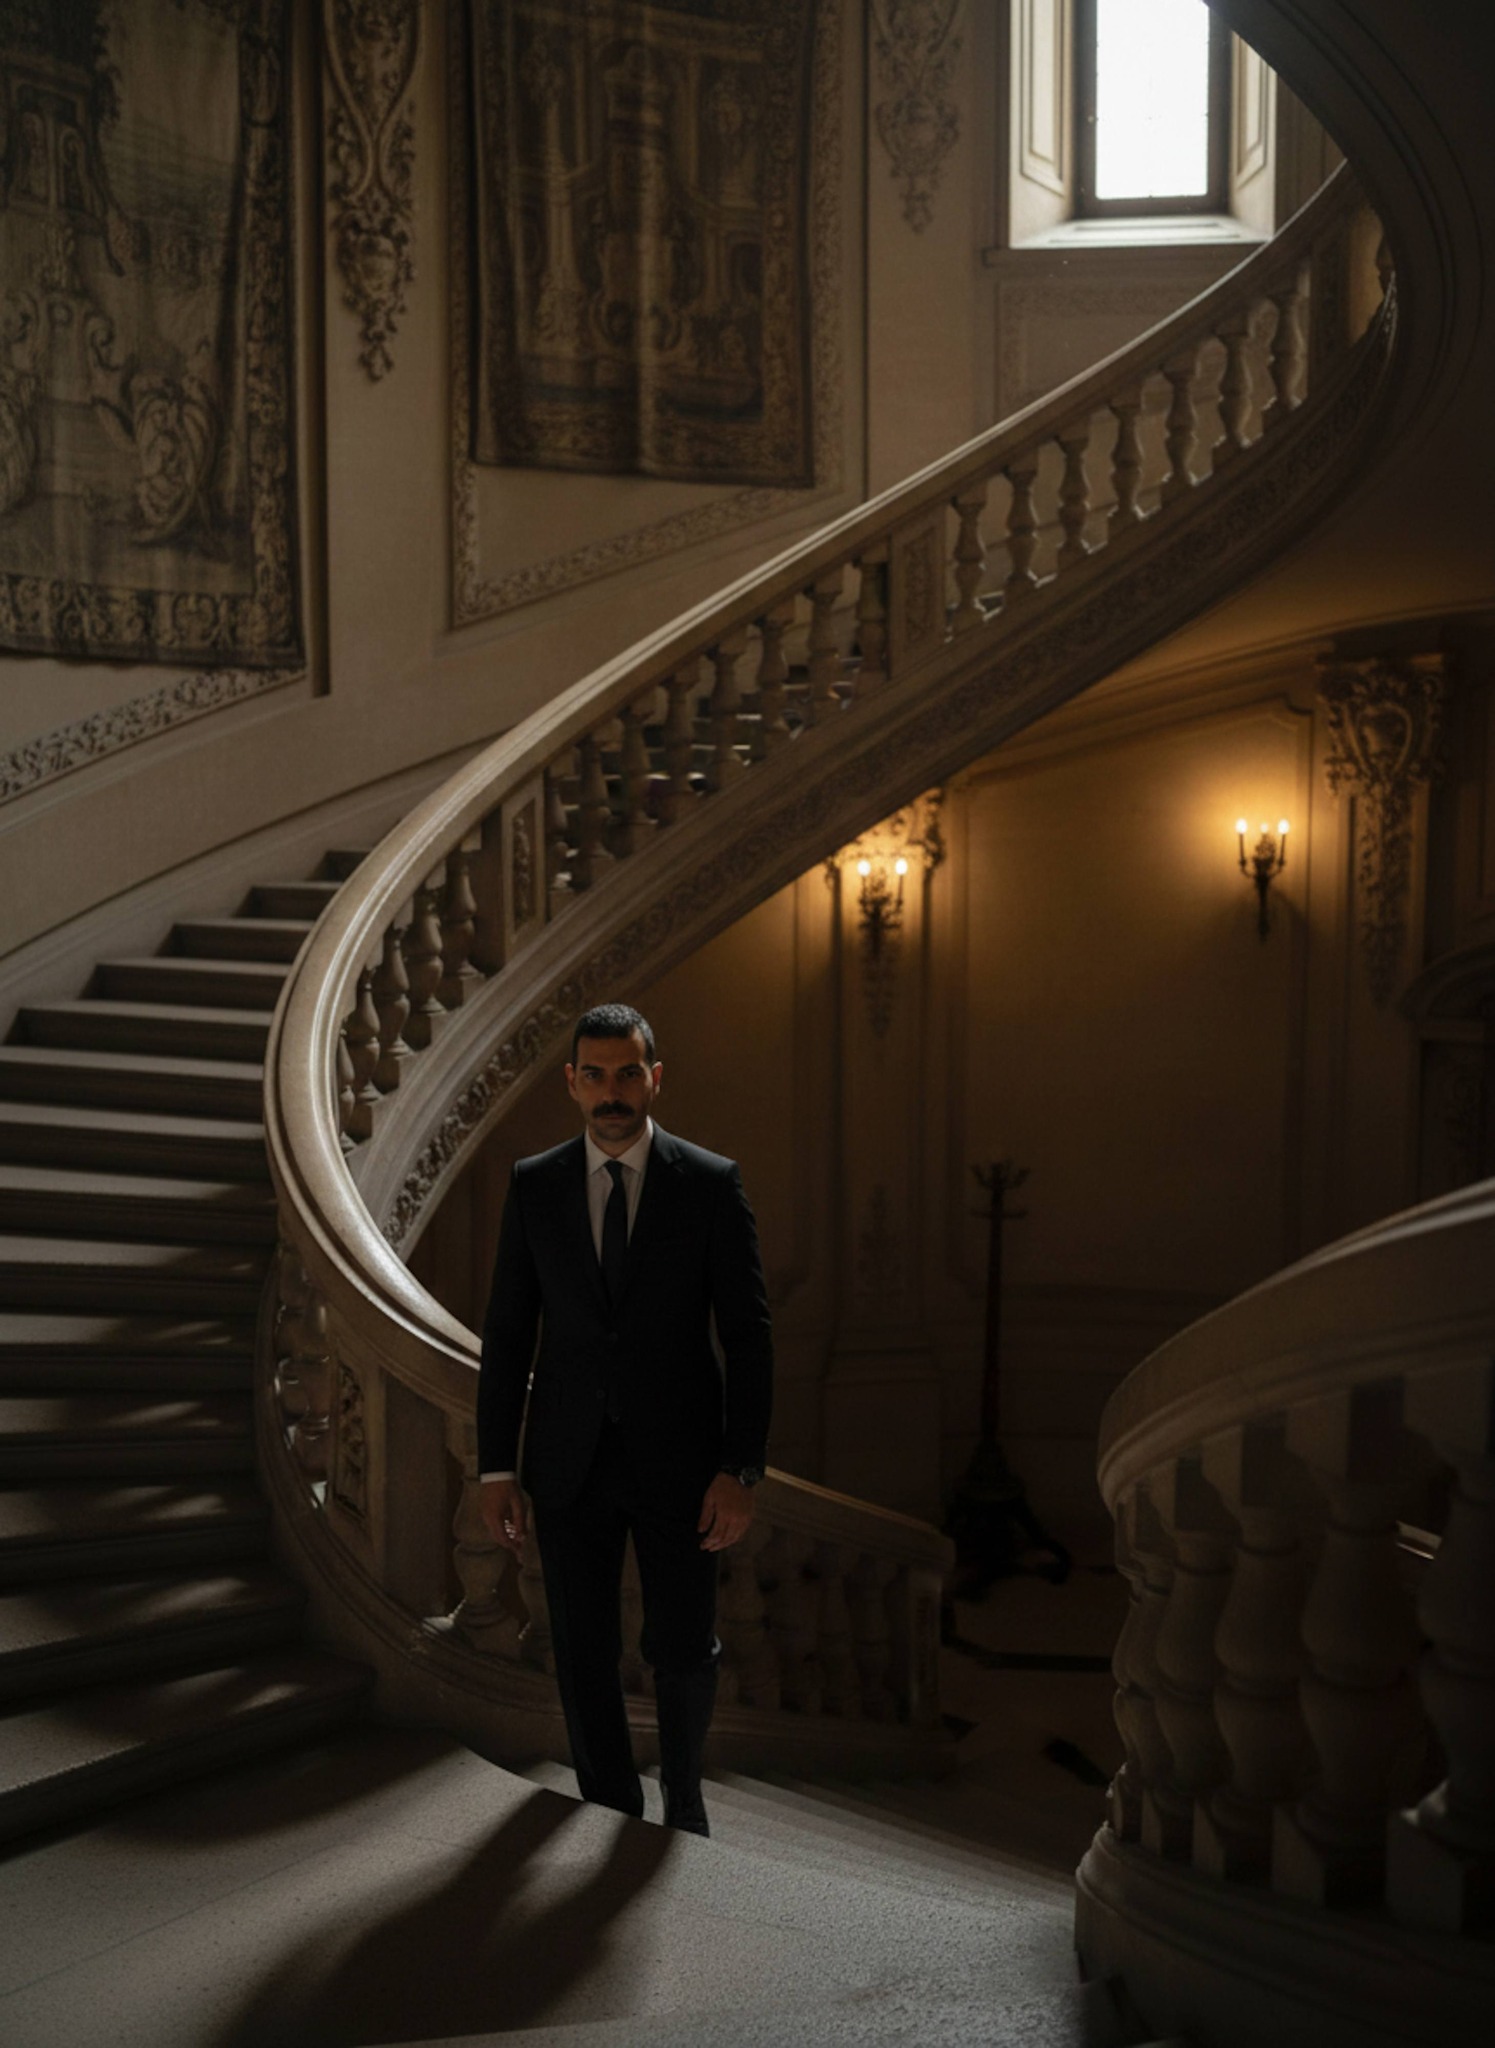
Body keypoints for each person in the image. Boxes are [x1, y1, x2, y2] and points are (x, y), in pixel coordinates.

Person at [477, 1002, 773, 1836]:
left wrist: (740, 1467)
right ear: (572, 1084)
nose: (613, 1092)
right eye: (596, 1075)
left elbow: (748, 1335)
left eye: (628, 1073)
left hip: (683, 1463)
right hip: (567, 1460)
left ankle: (683, 1802)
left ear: (654, 1077)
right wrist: (496, 1468)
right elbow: (508, 1332)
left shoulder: (709, 1183)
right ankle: (609, 1803)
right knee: (581, 1650)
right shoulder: (534, 1184)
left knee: (683, 1647)